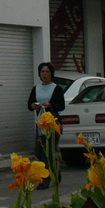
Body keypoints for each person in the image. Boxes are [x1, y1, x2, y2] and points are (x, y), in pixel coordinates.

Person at [27, 61, 65, 189]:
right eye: (42, 72)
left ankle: (45, 180)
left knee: (47, 153)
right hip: (40, 125)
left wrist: (50, 105)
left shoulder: (57, 88)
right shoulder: (36, 89)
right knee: (38, 151)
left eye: (47, 72)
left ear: (51, 74)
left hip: (52, 124)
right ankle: (56, 170)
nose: (45, 74)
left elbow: (61, 106)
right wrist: (33, 106)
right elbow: (29, 104)